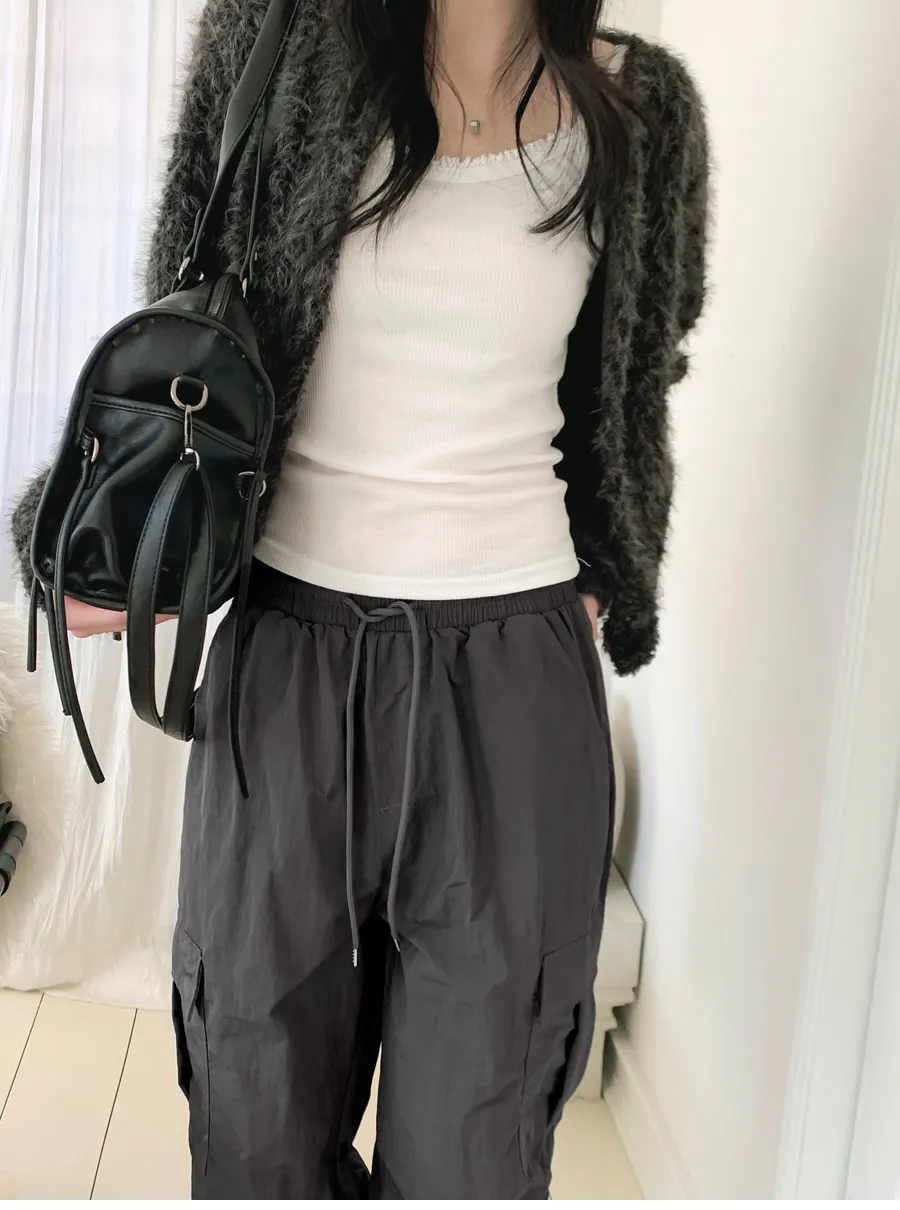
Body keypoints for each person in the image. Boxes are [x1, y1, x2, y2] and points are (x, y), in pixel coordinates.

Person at [10, 0, 708, 1198]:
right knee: (256, 1125)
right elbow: (180, 318)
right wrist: (102, 541)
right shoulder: (266, 41)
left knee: (476, 1150)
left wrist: (595, 581)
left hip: (515, 680)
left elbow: (635, 381)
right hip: (290, 657)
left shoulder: (642, 109)